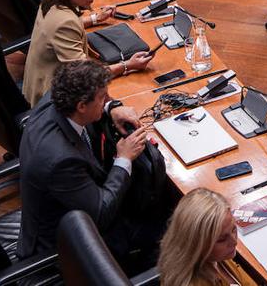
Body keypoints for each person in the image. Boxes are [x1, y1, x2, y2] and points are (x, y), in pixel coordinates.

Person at [17, 59, 170, 267]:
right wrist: (123, 159)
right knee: (170, 230)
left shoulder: (56, 97)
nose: (107, 99)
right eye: (102, 98)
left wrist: (110, 108)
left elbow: (94, 99)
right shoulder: (61, 160)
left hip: (70, 208)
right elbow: (101, 213)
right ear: (81, 106)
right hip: (66, 244)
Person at [21, 0, 154, 105]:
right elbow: (87, 74)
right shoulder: (64, 22)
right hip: (50, 98)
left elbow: (68, 26)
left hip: (38, 81)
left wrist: (96, 19)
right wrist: (128, 65)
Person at [158, 188, 240, 286]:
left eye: (234, 229)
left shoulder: (215, 256)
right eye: (221, 239)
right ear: (196, 244)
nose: (234, 241)